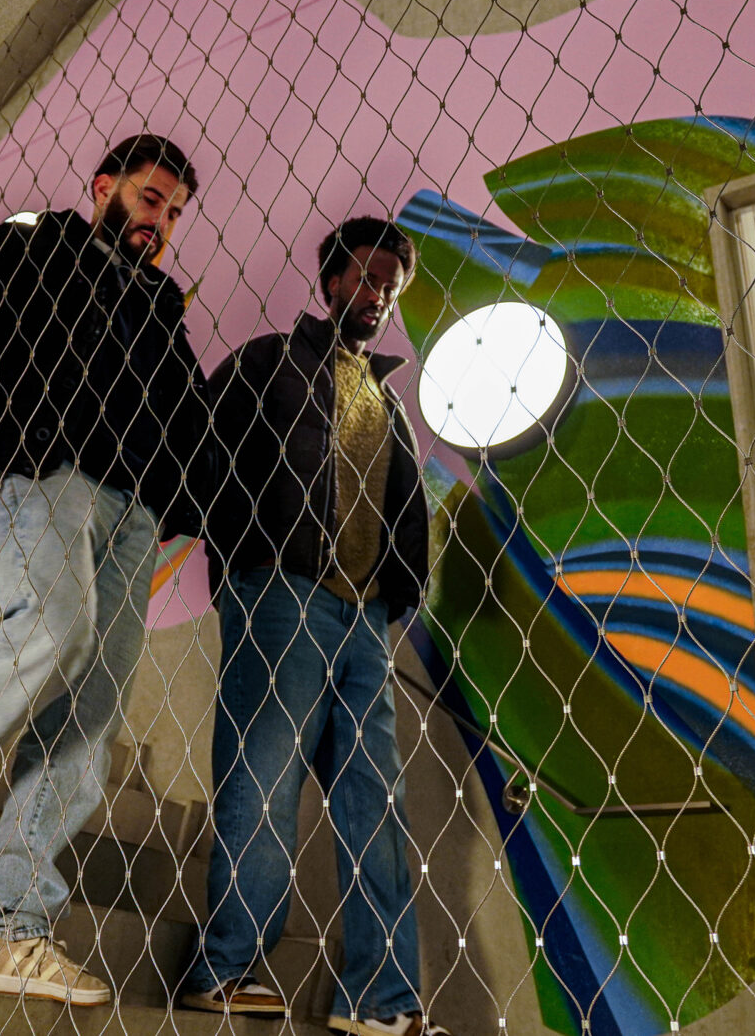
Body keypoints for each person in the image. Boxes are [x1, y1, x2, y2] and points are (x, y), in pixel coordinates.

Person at [0, 135, 214, 1006]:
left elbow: (194, 415)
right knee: (52, 627)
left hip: (134, 511)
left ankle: (7, 927)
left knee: (92, 709)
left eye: (172, 212)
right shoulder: (28, 244)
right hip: (41, 468)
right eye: (148, 199)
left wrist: (189, 505)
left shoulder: (162, 308)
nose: (159, 222)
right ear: (104, 187)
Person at [182, 218, 450, 1036]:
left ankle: (381, 1000)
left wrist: (396, 593)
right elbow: (197, 447)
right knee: (265, 774)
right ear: (331, 278)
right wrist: (245, 553)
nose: (379, 296)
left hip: (364, 616)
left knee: (378, 801)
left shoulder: (391, 403)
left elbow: (405, 511)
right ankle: (223, 967)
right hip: (282, 590)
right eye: (368, 278)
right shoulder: (269, 362)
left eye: (392, 288)